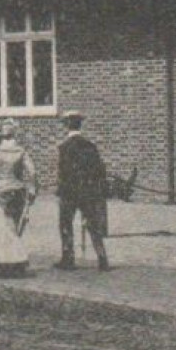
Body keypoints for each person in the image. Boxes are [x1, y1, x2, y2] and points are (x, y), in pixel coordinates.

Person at [0, 119, 38, 278]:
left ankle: (7, 260)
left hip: (3, 190)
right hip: (18, 190)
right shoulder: (21, 151)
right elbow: (32, 172)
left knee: (3, 226)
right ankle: (14, 261)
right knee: (16, 226)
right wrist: (32, 190)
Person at [56, 111, 110, 271]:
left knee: (65, 223)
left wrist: (60, 189)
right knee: (92, 224)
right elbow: (99, 169)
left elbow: (63, 172)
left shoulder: (64, 147)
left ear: (66, 126)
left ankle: (68, 258)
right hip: (88, 191)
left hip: (70, 192)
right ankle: (102, 257)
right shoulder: (90, 146)